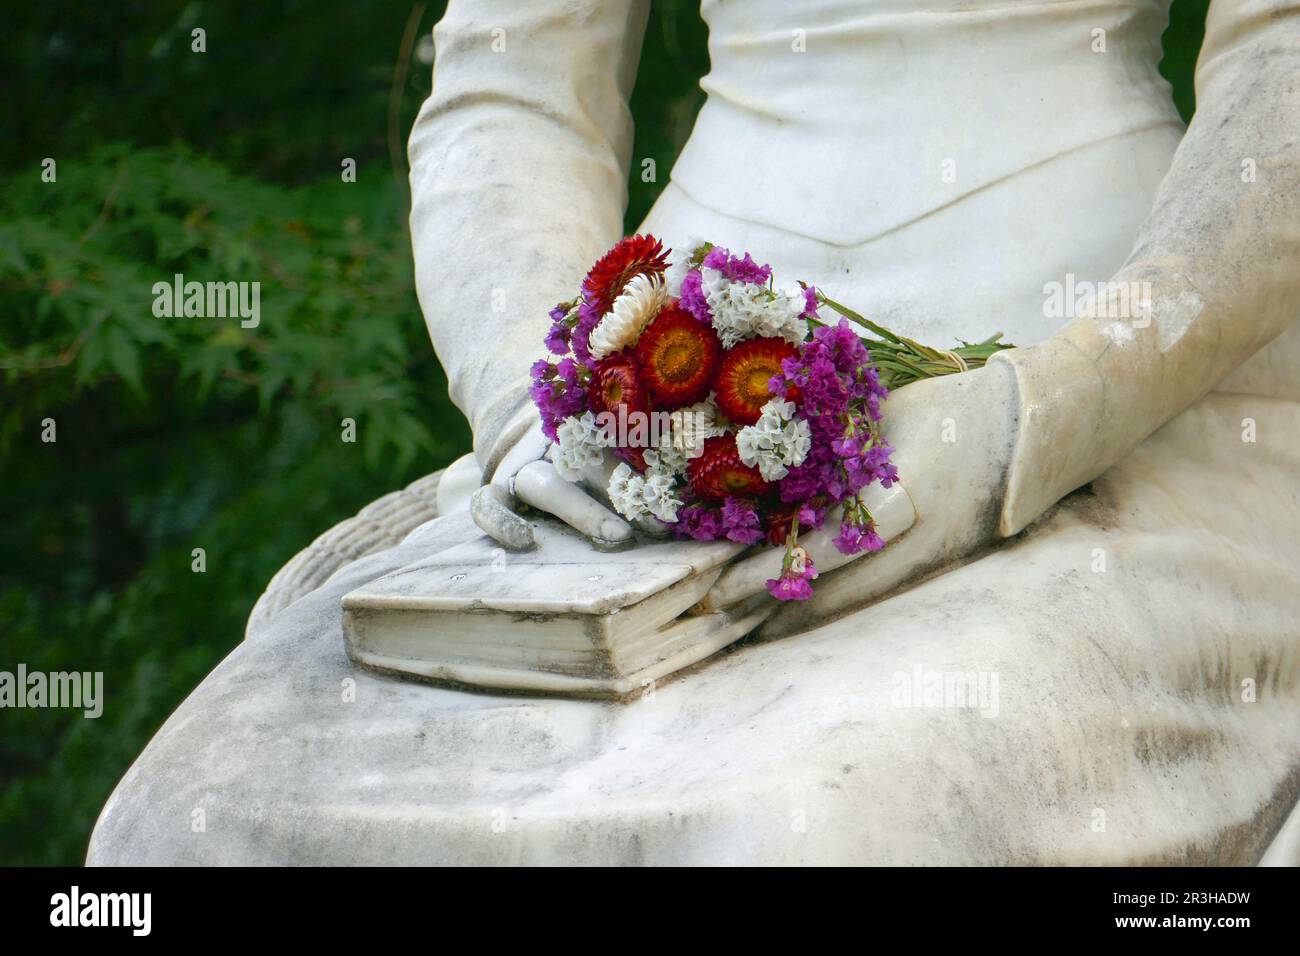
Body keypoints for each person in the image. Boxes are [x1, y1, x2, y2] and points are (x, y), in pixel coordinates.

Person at [89, 0, 1300, 864]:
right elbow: (509, 85)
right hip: (663, 394)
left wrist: (1027, 421)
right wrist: (536, 408)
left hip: (1091, 383)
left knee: (812, 825)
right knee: (194, 809)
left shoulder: (1052, 405)